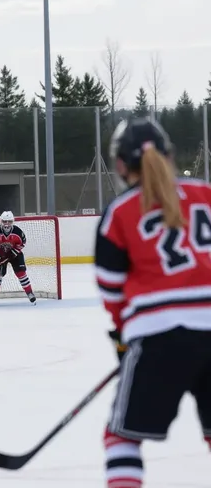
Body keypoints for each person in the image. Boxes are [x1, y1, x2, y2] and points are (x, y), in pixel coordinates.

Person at [95, 117, 211, 488]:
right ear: (170, 155)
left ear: (120, 165)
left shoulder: (121, 211)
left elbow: (111, 290)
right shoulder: (205, 194)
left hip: (159, 337)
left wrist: (123, 337)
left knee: (122, 438)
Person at [0, 211, 36, 305]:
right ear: (1, 221)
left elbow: (22, 243)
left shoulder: (18, 232)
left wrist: (12, 254)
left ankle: (29, 292)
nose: (7, 224)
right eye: (5, 221)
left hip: (15, 255)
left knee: (21, 273)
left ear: (13, 221)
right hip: (0, 256)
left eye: (9, 221)